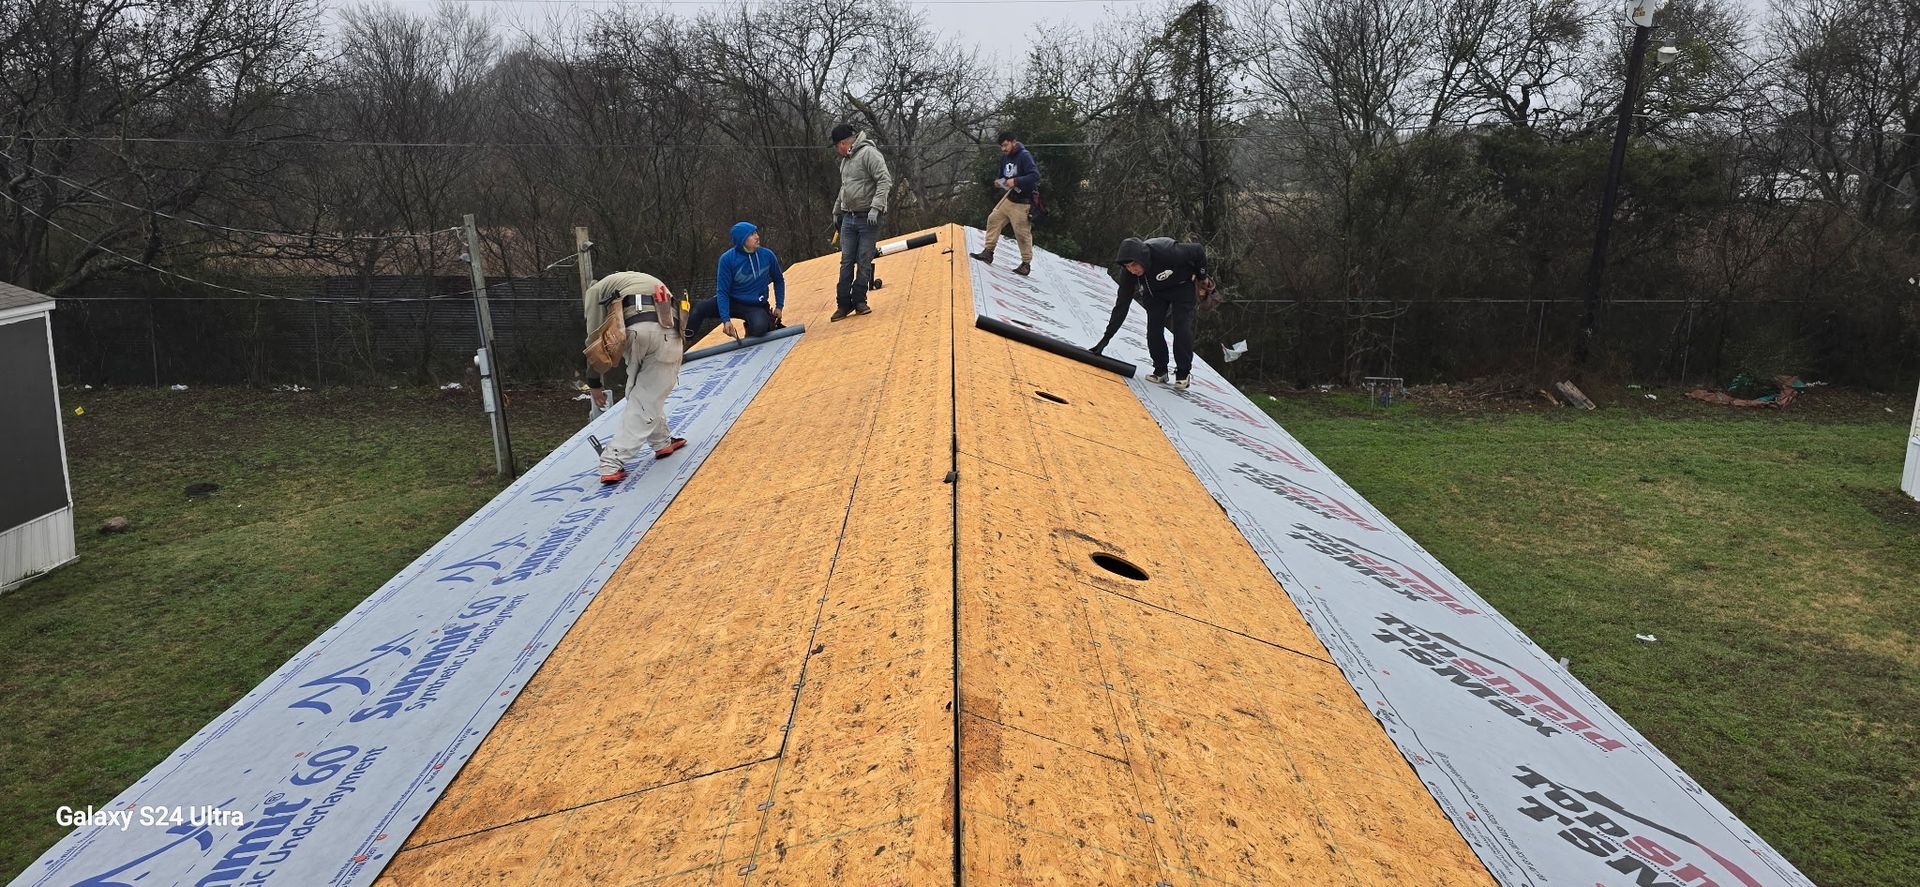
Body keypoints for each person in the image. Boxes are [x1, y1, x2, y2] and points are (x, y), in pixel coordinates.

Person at [583, 271, 687, 483]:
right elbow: (595, 340)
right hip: (664, 327)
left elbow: (594, 340)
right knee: (648, 393)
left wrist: (594, 381)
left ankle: (661, 441)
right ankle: (612, 460)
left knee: (644, 391)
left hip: (638, 329)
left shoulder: (599, 290)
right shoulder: (629, 280)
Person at [1089, 237, 1213, 390]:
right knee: (1153, 328)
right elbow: (1121, 306)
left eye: (1134, 265)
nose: (1132, 270)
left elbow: (1198, 250)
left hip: (1182, 286)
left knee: (1182, 327)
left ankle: (1183, 373)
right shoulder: (1128, 274)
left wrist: (1202, 276)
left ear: (1142, 258)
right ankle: (1160, 370)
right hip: (1155, 292)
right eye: (1127, 266)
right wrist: (1105, 339)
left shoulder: (1166, 252)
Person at [684, 221, 786, 344]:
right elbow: (722, 292)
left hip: (755, 304)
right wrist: (726, 320)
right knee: (698, 309)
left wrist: (779, 306)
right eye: (752, 234)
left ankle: (755, 326)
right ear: (742, 240)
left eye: (756, 232)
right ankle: (682, 343)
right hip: (732, 301)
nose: (757, 236)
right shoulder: (727, 260)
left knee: (760, 328)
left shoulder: (767, 255)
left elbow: (779, 280)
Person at [829, 122, 891, 321]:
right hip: (849, 217)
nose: (837, 150)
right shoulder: (846, 161)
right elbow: (845, 188)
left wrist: (876, 207)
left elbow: (884, 180)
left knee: (863, 260)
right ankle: (843, 304)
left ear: (844, 143)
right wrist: (837, 210)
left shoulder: (869, 154)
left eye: (837, 146)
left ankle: (859, 300)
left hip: (868, 218)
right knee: (846, 261)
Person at [968, 131, 1041, 276]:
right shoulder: (1005, 158)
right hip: (1009, 198)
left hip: (1023, 202)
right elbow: (1002, 177)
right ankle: (988, 252)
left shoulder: (1024, 156)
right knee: (993, 219)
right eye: (1001, 146)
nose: (1003, 149)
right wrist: (999, 182)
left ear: (1013, 142)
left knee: (1022, 233)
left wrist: (1016, 181)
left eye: (1005, 145)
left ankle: (1026, 264)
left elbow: (1035, 175)